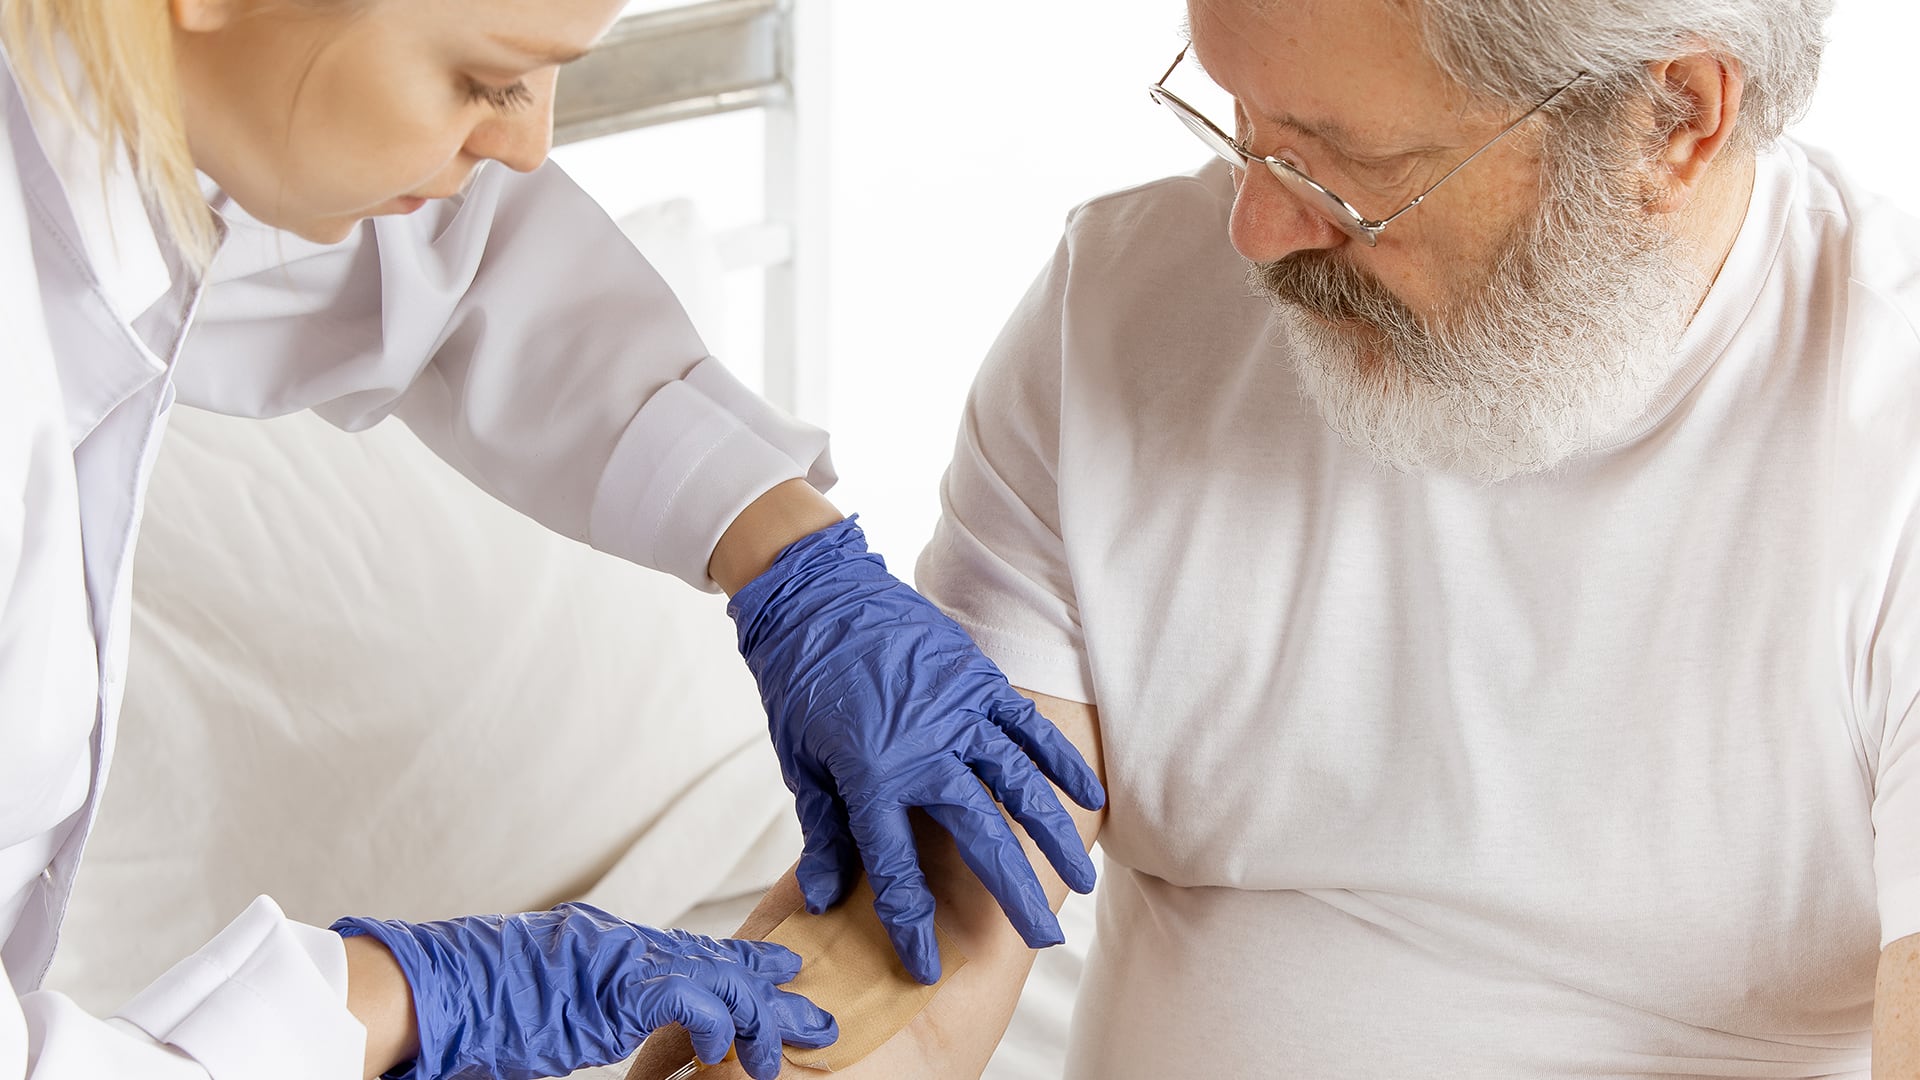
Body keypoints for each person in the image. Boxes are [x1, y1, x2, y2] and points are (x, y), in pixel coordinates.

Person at [633, 0, 1920, 1076]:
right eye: (1235, 115)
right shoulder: (1121, 316)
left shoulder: (1888, 440)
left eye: (1337, 164)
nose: (1252, 230)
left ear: (1673, 117)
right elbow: (930, 925)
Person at [0, 0, 1106, 1076]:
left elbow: (444, 260)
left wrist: (787, 549)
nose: (531, 144)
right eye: (487, 81)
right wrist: (394, 1001)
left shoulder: (110, 143)